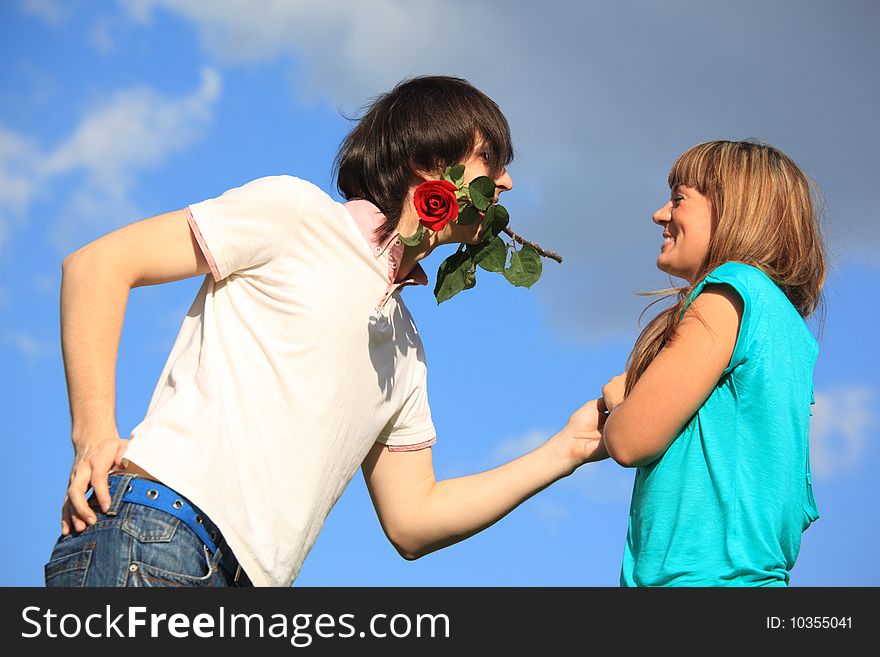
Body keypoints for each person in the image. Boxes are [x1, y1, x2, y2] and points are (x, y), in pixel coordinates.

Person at [45, 76, 607, 587]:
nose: (507, 181)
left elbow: (413, 520)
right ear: (432, 163)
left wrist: (569, 449)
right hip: (160, 531)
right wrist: (94, 432)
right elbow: (97, 266)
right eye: (491, 159)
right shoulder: (296, 213)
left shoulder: (406, 347)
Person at [600, 140, 825, 586]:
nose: (660, 214)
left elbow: (629, 442)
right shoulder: (787, 328)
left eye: (679, 198)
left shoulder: (728, 290)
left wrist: (621, 404)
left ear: (735, 210)